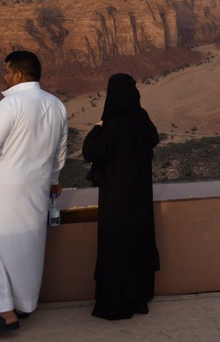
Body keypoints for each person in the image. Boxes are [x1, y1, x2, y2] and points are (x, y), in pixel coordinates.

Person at [0, 50, 68, 338]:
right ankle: (23, 304)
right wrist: (52, 181)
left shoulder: (8, 106)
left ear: (18, 75)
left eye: (7, 72)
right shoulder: (56, 105)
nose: (5, 77)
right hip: (36, 188)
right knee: (27, 247)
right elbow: (59, 153)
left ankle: (4, 313)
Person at [82, 73, 161, 320]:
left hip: (117, 201)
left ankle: (118, 301)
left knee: (117, 248)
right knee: (138, 245)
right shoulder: (141, 118)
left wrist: (97, 128)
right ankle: (138, 298)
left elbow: (91, 152)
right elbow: (154, 138)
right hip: (140, 198)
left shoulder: (114, 125)